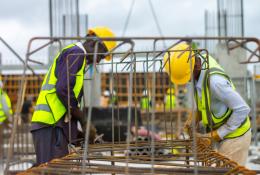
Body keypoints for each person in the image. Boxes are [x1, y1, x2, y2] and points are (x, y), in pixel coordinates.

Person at [31, 26, 117, 166]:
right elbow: (63, 89)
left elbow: (64, 100)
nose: (98, 61)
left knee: (51, 168)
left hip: (53, 125)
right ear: (94, 43)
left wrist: (78, 133)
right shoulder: (76, 53)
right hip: (50, 125)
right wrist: (83, 120)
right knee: (52, 170)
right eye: (101, 55)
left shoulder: (76, 56)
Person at [163, 43, 251, 165]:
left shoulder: (215, 82)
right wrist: (196, 116)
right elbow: (206, 101)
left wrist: (216, 135)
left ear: (197, 66)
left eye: (188, 77)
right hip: (223, 135)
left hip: (236, 136)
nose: (188, 80)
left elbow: (242, 109)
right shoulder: (198, 67)